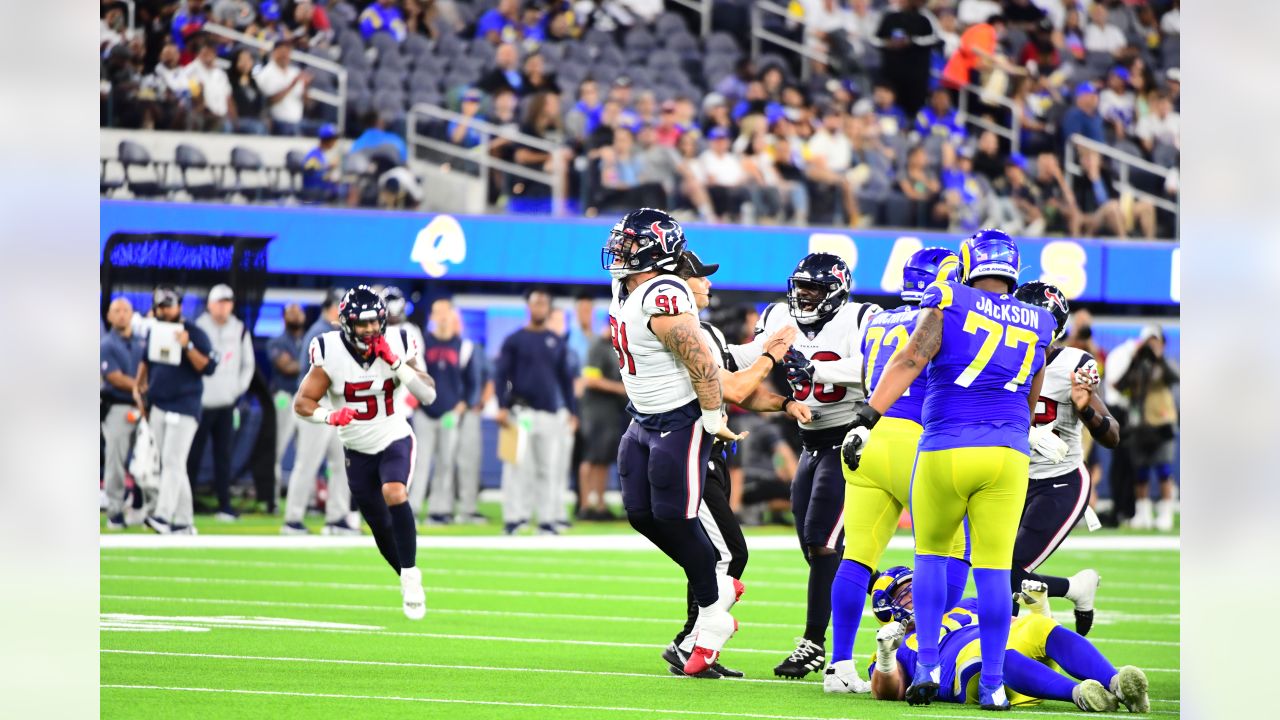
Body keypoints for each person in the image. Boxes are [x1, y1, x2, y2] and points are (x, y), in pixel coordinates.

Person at [841, 229, 1055, 709]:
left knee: (932, 555)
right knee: (995, 569)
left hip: (945, 443)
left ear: (967, 263)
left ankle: (931, 668)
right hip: (1008, 452)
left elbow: (911, 357)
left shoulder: (949, 296)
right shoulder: (1040, 320)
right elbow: (1033, 394)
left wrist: (866, 419)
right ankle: (996, 685)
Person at [604, 209, 747, 678]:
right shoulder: (627, 286)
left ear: (656, 249)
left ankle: (711, 614)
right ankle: (714, 600)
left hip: (678, 420)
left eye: (629, 243)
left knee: (677, 517)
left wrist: (711, 418)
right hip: (640, 418)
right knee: (640, 515)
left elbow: (702, 363)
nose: (620, 250)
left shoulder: (664, 294)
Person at [727, 252, 882, 680]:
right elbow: (757, 353)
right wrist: (718, 352)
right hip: (811, 443)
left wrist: (819, 368)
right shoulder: (779, 314)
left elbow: (881, 369)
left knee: (821, 543)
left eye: (813, 288)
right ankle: (892, 591)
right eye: (801, 287)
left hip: (851, 439)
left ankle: (814, 643)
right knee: (818, 551)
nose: (804, 295)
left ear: (835, 291)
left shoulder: (863, 317)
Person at [663, 250, 810, 678]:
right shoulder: (684, 332)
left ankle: (691, 641)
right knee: (728, 554)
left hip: (706, 453)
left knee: (710, 554)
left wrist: (783, 393)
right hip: (689, 451)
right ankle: (690, 642)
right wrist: (771, 356)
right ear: (677, 285)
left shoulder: (703, 330)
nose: (707, 284)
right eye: (699, 279)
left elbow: (743, 374)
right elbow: (737, 387)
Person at [827, 248, 969, 694]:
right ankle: (927, 651)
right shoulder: (942, 318)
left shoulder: (876, 320)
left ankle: (839, 666)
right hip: (915, 437)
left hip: (870, 437)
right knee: (953, 548)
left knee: (858, 556)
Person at [293, 286, 437, 620]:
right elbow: (302, 403)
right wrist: (330, 415)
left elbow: (428, 395)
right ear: (346, 324)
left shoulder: (399, 341)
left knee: (394, 491)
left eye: (375, 322)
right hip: (356, 448)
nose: (371, 330)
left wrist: (396, 362)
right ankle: (404, 575)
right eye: (363, 324)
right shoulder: (329, 350)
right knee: (379, 525)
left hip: (394, 436)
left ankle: (412, 576)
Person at [865, 566, 1151, 713]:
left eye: (916, 585)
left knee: (1037, 627)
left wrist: (1040, 611)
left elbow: (1018, 628)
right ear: (886, 607)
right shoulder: (894, 642)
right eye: (905, 593)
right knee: (990, 651)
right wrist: (887, 656)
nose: (916, 593)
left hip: (1021, 669)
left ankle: (1117, 683)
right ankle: (1081, 695)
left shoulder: (964, 605)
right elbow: (891, 692)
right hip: (973, 672)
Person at [1011, 281, 1119, 636]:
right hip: (1010, 477)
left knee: (1009, 568)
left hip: (1059, 480)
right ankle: (1074, 589)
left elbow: (1112, 435)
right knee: (990, 569)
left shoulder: (1074, 363)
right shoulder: (1001, 356)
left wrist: (1086, 409)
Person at [494, 288, 578, 535]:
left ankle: (547, 520)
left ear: (548, 308)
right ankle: (514, 518)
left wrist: (572, 412)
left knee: (548, 469)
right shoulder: (514, 340)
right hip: (519, 412)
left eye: (543, 304)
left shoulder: (556, 342)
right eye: (535, 303)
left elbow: (566, 380)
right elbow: (500, 375)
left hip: (549, 414)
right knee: (515, 467)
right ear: (528, 307)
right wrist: (500, 406)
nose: (539, 308)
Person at [135, 285, 218, 534]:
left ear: (179, 306)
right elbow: (145, 364)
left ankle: (162, 515)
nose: (164, 310)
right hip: (159, 405)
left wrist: (188, 345)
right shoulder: (154, 332)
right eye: (160, 306)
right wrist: (139, 389)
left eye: (168, 305)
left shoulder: (195, 333)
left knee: (172, 462)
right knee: (174, 464)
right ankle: (184, 522)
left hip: (185, 407)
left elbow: (209, 367)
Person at [282, 289, 359, 535]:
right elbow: (315, 375)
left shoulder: (338, 332)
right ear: (333, 307)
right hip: (317, 405)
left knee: (342, 464)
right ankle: (292, 518)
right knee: (307, 463)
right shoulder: (320, 333)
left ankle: (336, 517)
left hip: (335, 405)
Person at [188, 284, 255, 521]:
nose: (224, 306)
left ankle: (224, 504)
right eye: (219, 301)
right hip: (201, 403)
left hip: (226, 404)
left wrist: (236, 390)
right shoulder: (198, 327)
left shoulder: (239, 329)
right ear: (210, 304)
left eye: (228, 302)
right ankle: (187, 503)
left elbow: (248, 365)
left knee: (223, 456)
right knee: (192, 454)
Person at [411, 298, 475, 525]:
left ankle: (439, 510)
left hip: (450, 414)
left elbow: (472, 381)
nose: (442, 317)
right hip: (425, 412)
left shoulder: (464, 346)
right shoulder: (422, 344)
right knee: (420, 463)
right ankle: (413, 508)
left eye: (446, 312)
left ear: (452, 315)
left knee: (446, 464)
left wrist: (462, 405)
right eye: (437, 312)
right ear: (432, 317)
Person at [1115, 325, 1179, 531]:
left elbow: (1175, 377)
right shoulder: (1137, 366)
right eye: (1148, 342)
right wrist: (1134, 361)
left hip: (1161, 422)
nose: (1151, 346)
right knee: (1140, 472)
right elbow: (1119, 385)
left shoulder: (1165, 364)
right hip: (1139, 425)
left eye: (1155, 341)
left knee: (1163, 470)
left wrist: (1158, 358)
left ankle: (1166, 513)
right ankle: (1143, 513)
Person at [577, 310, 629, 521]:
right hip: (594, 409)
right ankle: (585, 505)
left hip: (611, 411)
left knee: (604, 458)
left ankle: (599, 504)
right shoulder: (597, 346)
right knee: (590, 457)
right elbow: (591, 379)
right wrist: (621, 389)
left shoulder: (617, 348)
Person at [101, 297, 145, 530]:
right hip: (118, 406)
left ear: (131, 314)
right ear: (109, 316)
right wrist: (141, 386)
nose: (121, 315)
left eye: (125, 310)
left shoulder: (141, 343)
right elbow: (114, 377)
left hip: (143, 408)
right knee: (115, 460)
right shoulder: (106, 344)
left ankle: (142, 506)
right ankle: (115, 510)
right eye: (116, 310)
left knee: (146, 460)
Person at [268, 303, 307, 500]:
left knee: (307, 453)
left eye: (298, 311)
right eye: (291, 312)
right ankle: (271, 497)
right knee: (277, 450)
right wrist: (311, 364)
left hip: (306, 399)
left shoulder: (308, 339)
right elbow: (287, 367)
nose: (296, 315)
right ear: (284, 317)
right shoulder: (277, 342)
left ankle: (307, 500)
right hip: (284, 397)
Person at [254, 39, 311, 136]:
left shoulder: (295, 72)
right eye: (282, 52)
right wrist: (292, 85)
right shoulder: (265, 73)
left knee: (323, 129)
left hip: (298, 120)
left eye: (287, 52)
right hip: (278, 121)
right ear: (274, 53)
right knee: (295, 132)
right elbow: (270, 101)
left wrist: (306, 87)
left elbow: (308, 105)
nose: (285, 56)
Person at [186, 38, 234, 132]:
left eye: (211, 52)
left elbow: (228, 98)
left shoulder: (220, 73)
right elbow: (195, 98)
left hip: (222, 116)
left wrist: (234, 120)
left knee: (229, 126)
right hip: (202, 117)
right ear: (199, 53)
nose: (208, 55)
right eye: (205, 52)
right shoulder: (191, 71)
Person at [228, 48, 267, 135]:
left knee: (264, 126)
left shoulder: (254, 82)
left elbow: (259, 104)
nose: (246, 63)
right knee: (258, 128)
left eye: (248, 59)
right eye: (242, 59)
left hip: (254, 119)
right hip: (238, 119)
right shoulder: (230, 80)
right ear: (236, 61)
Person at [301, 124, 342, 202]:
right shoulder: (314, 154)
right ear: (327, 140)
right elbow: (309, 168)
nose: (335, 143)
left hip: (321, 193)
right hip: (314, 194)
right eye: (334, 140)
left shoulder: (321, 154)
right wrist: (329, 166)